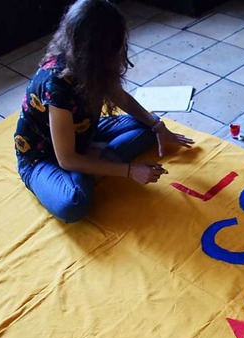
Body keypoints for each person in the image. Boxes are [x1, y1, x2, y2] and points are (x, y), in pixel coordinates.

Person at [14, 0, 193, 223]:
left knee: (150, 127)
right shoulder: (56, 84)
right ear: (96, 50)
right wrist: (129, 170)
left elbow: (119, 96)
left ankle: (93, 163)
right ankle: (94, 165)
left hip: (85, 133)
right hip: (45, 156)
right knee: (74, 204)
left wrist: (158, 125)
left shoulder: (92, 64)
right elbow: (67, 159)